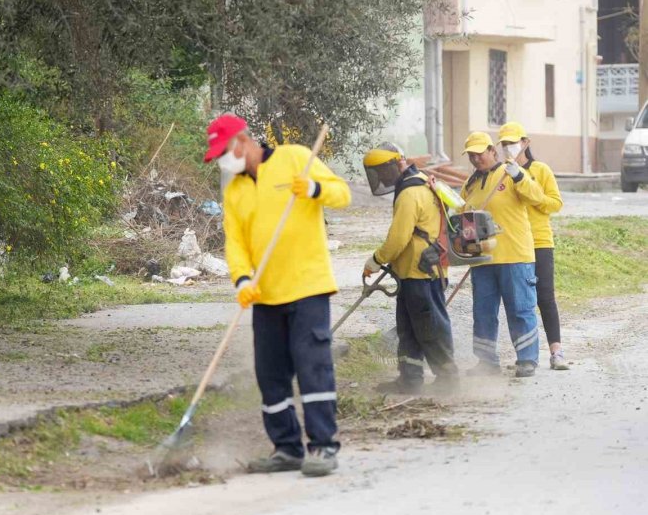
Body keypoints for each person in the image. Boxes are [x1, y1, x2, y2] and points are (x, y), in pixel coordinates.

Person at [205, 113, 351, 477]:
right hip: (264, 294)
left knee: (311, 365)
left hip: (307, 286)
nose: (222, 161)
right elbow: (235, 242)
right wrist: (241, 280)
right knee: (269, 373)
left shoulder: (294, 158)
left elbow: (342, 194)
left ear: (241, 142)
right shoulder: (235, 191)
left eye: (223, 152)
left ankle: (322, 446)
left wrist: (315, 190)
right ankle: (286, 447)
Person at [361, 143, 459, 394]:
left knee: (430, 327)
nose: (381, 178)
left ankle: (448, 379)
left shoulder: (409, 193)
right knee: (409, 328)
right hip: (414, 271)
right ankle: (410, 379)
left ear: (394, 165)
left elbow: (398, 238)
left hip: (420, 272)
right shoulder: (422, 180)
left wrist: (376, 259)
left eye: (382, 172)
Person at [460, 132, 546, 378]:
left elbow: (536, 197)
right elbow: (461, 214)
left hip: (514, 256)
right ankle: (486, 362)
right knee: (483, 312)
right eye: (472, 155)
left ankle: (527, 359)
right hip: (482, 259)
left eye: (480, 153)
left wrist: (519, 175)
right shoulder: (471, 184)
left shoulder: (511, 173)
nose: (476, 159)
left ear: (492, 151)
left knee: (520, 309)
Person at [498, 122, 567, 370]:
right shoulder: (501, 173)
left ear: (525, 143)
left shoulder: (540, 169)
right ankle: (525, 354)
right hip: (514, 244)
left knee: (545, 296)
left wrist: (529, 189)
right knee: (519, 301)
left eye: (513, 142)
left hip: (539, 241)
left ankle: (556, 351)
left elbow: (555, 204)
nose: (508, 147)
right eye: (504, 144)